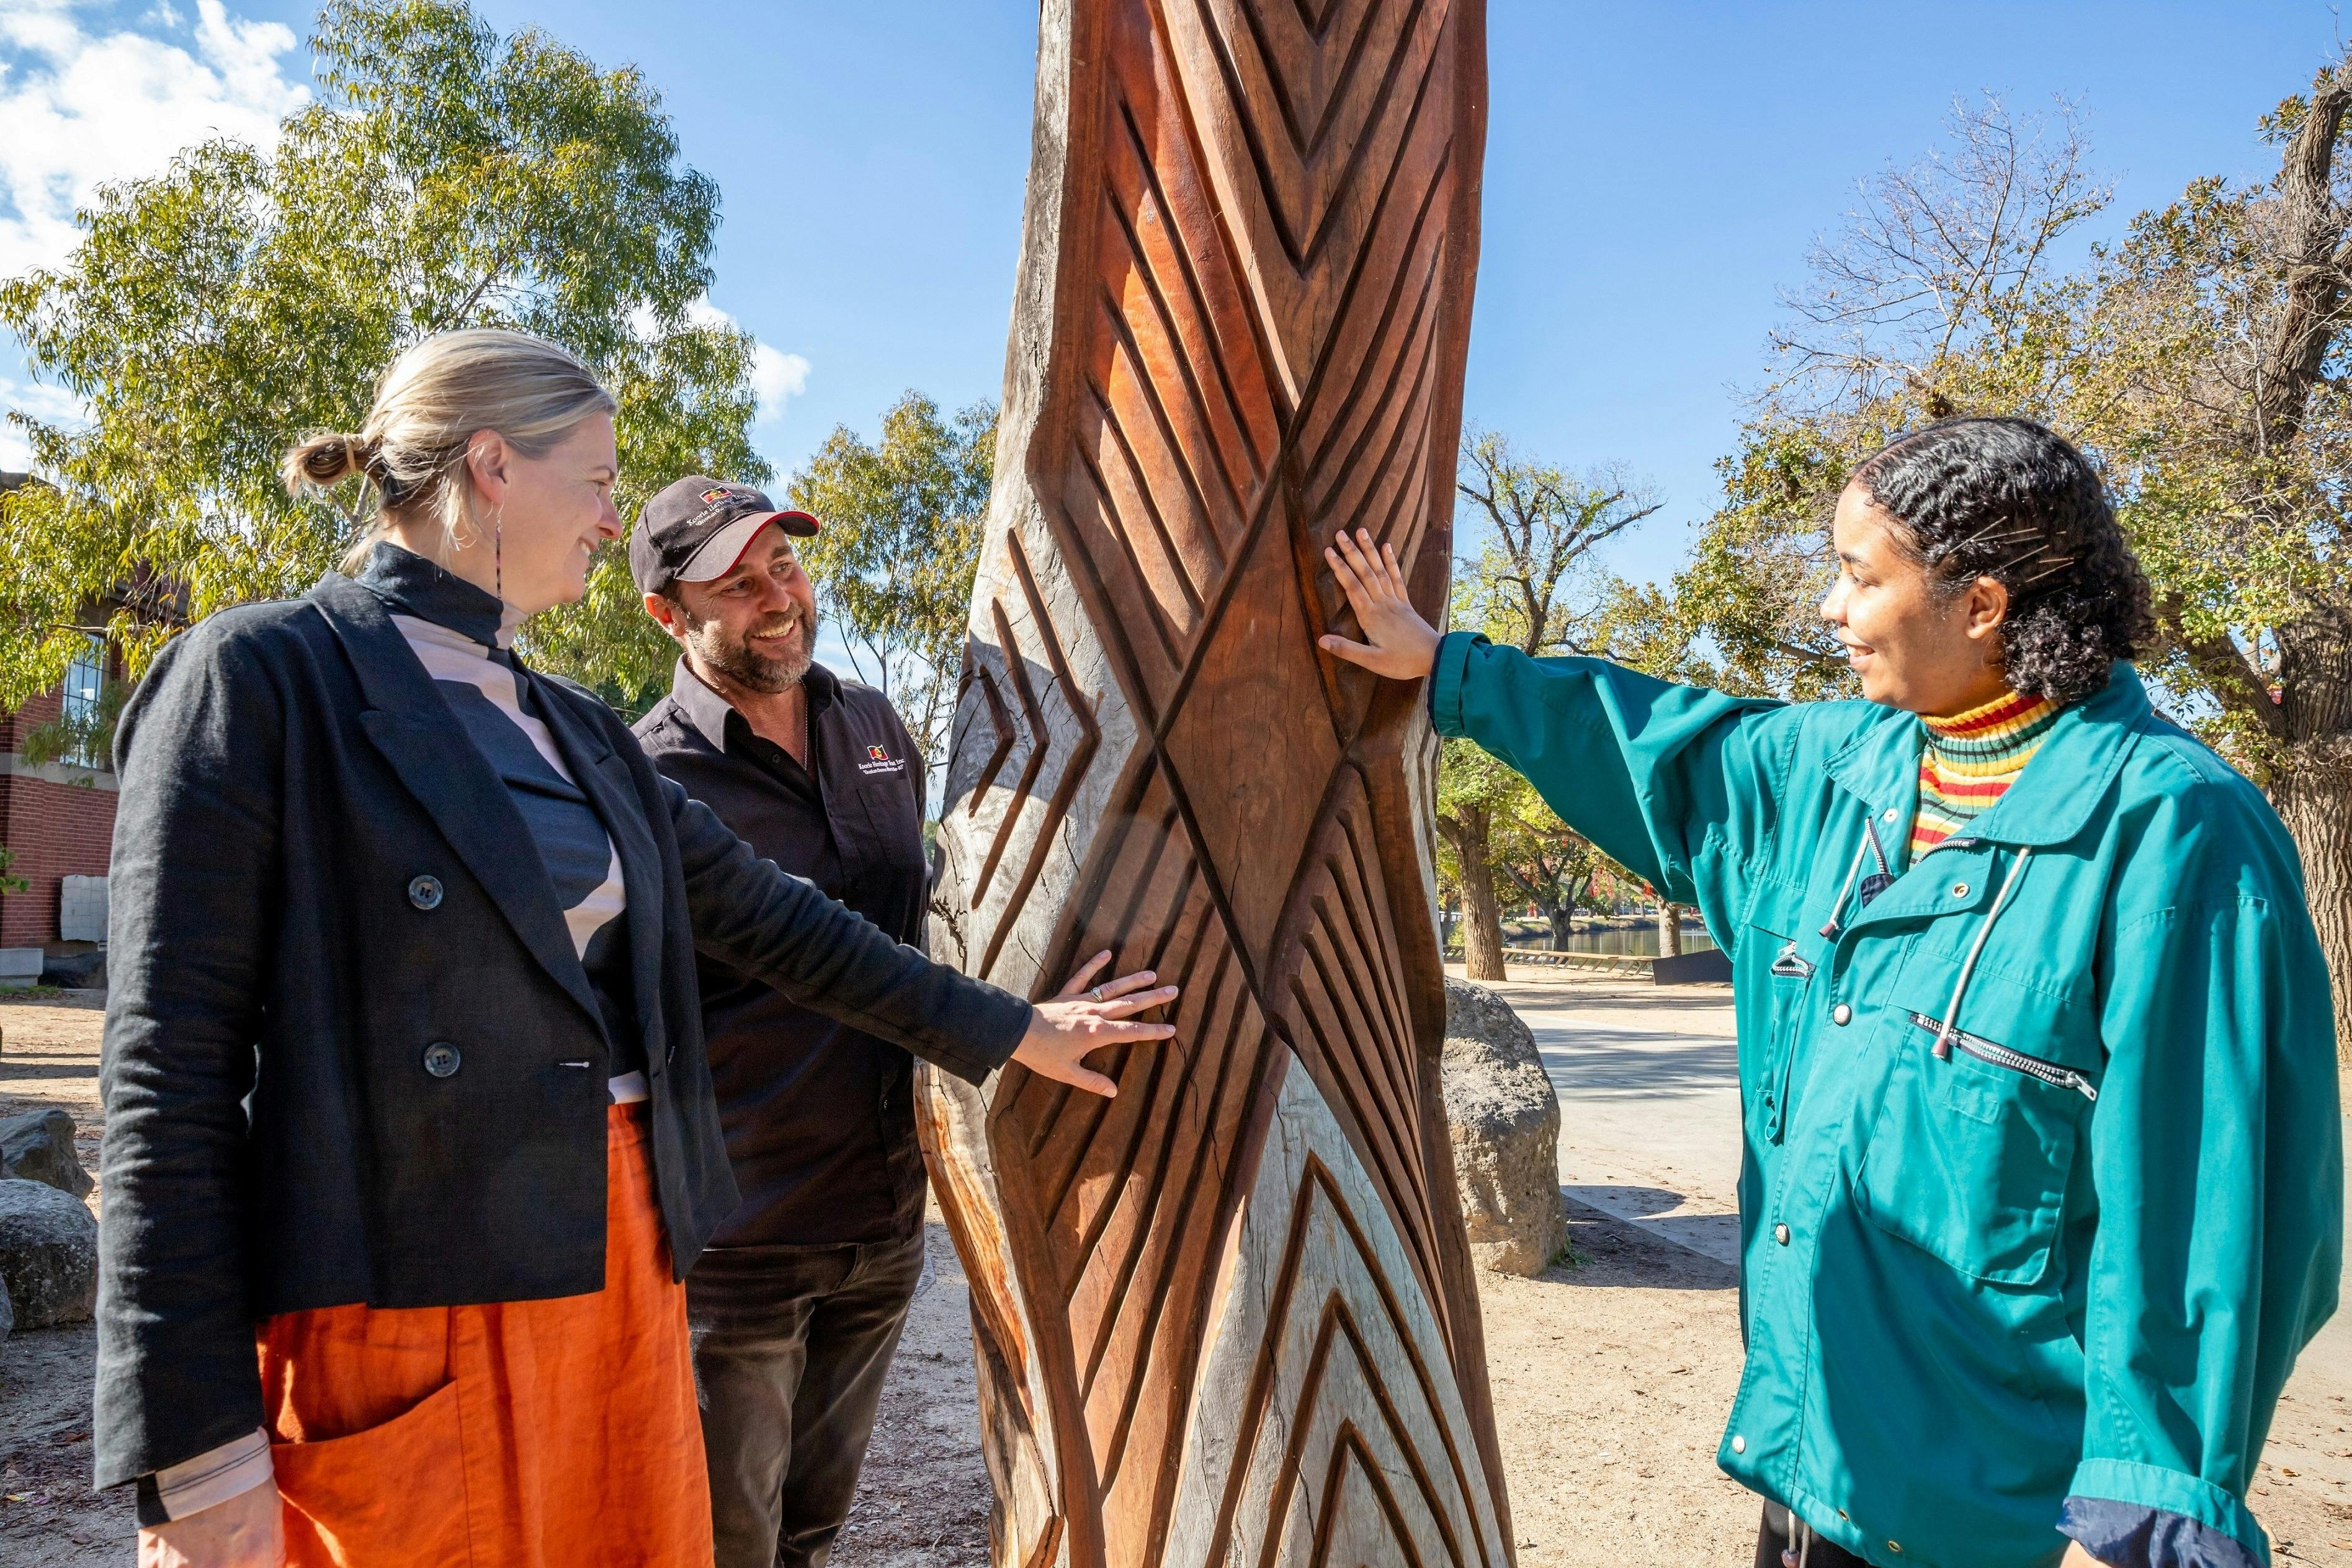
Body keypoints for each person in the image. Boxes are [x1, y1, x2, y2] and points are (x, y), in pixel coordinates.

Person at [98, 328, 1176, 1568]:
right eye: (600, 481)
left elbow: (789, 924)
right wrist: (194, 1446)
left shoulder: (576, 730)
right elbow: (162, 1086)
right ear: (495, 466)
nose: (612, 516)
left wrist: (1018, 1029)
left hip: (625, 1264)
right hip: (404, 1292)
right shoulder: (258, 678)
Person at [1320, 417, 2340, 1568]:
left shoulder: (2176, 833)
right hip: (1811, 1450)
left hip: (2001, 1500)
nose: (1829, 608)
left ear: (1982, 604)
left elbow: (2218, 1193)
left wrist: (2155, 1492)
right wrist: (1446, 667)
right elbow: (1649, 739)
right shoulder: (1826, 772)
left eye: (1859, 576)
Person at [625, 473, 1128, 1567]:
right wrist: (1010, 1029)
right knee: (722, 1543)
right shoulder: (652, 777)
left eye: (786, 567)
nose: (778, 598)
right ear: (669, 614)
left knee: (813, 1530)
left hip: (889, 1221)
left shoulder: (872, 726)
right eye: (737, 585)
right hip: (740, 1240)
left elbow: (934, 915)